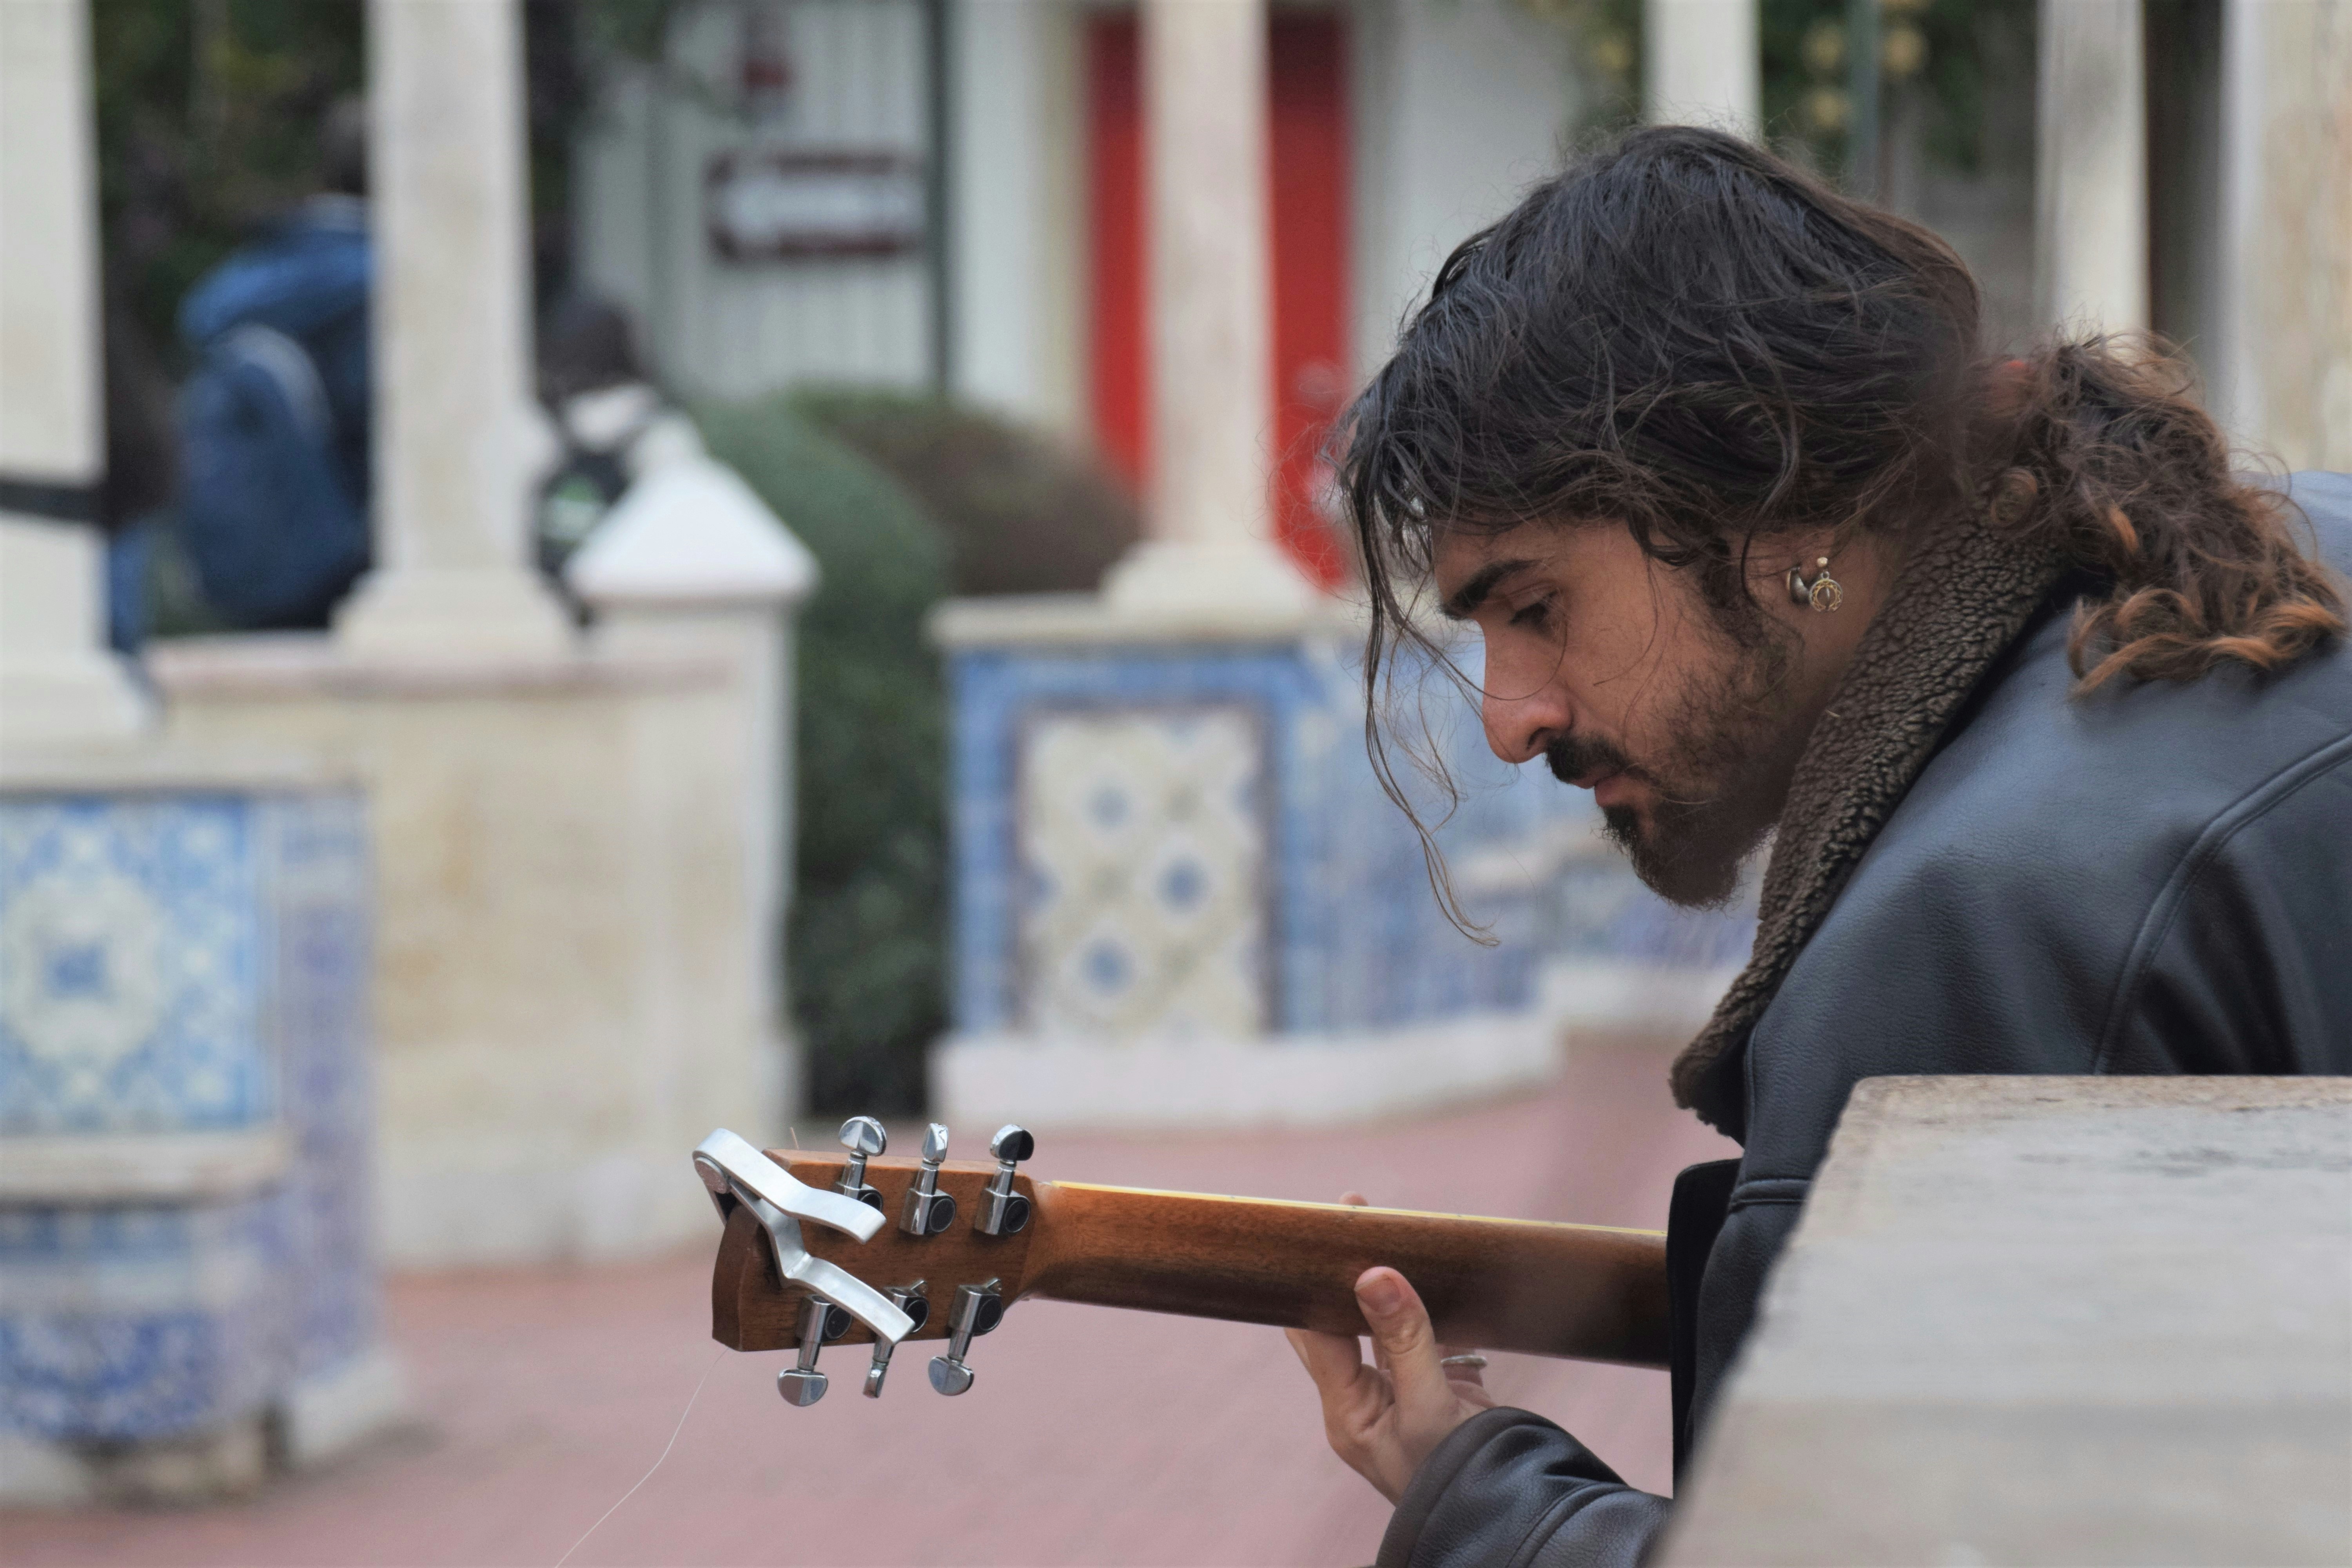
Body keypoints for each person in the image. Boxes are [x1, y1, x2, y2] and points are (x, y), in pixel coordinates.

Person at [1285, 126, 2351, 1566]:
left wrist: (1475, 1493)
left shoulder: (1962, 938)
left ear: (1787, 514)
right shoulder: (2292, 551)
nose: (1510, 721)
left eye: (1537, 608)